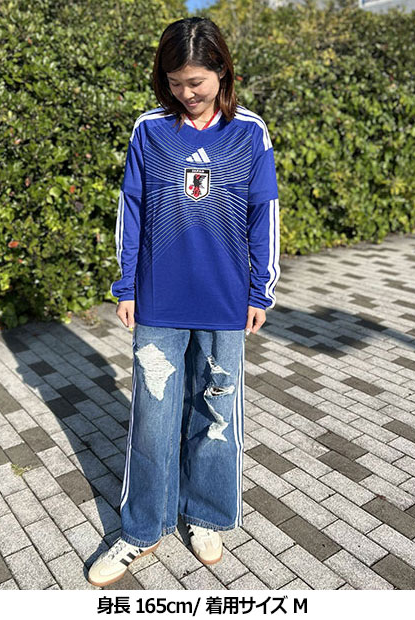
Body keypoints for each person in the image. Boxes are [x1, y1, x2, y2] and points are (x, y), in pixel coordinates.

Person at [88, 16, 280, 587]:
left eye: (196, 81)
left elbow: (264, 213)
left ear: (222, 71)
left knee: (216, 414)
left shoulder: (249, 133)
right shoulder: (150, 130)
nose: (186, 93)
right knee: (152, 421)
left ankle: (206, 516)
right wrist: (126, 285)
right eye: (175, 83)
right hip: (159, 302)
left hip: (225, 301)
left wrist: (261, 290)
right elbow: (131, 209)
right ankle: (142, 529)